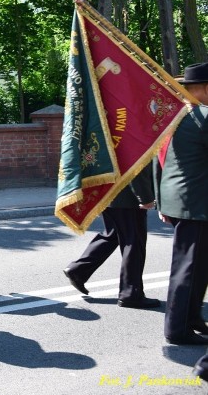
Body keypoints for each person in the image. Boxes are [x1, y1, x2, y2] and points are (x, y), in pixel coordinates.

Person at [155, 62, 208, 345]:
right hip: (198, 204)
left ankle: (192, 318)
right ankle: (177, 329)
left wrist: (161, 202)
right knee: (188, 268)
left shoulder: (173, 116)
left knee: (198, 267)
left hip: (182, 202)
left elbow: (157, 160)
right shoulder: (204, 116)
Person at [62, 165, 159, 308]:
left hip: (109, 192)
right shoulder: (130, 140)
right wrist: (145, 197)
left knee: (112, 235)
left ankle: (78, 270)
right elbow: (136, 166)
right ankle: (131, 293)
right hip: (127, 197)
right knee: (133, 243)